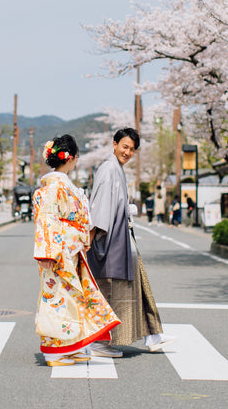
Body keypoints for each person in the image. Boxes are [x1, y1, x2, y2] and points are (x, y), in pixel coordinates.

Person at [87, 128, 176, 357]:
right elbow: (100, 209)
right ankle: (100, 341)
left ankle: (153, 335)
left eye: (132, 149)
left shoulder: (114, 169)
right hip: (111, 242)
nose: (127, 152)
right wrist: (91, 240)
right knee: (114, 291)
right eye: (124, 147)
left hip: (119, 239)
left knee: (136, 285)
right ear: (114, 144)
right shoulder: (109, 170)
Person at [33, 135, 120, 367]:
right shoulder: (54, 186)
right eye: (77, 156)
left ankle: (72, 346)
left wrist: (81, 238)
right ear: (70, 158)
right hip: (58, 252)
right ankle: (54, 351)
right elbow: (47, 220)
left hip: (71, 251)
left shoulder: (62, 184)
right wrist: (47, 253)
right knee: (57, 300)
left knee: (72, 299)